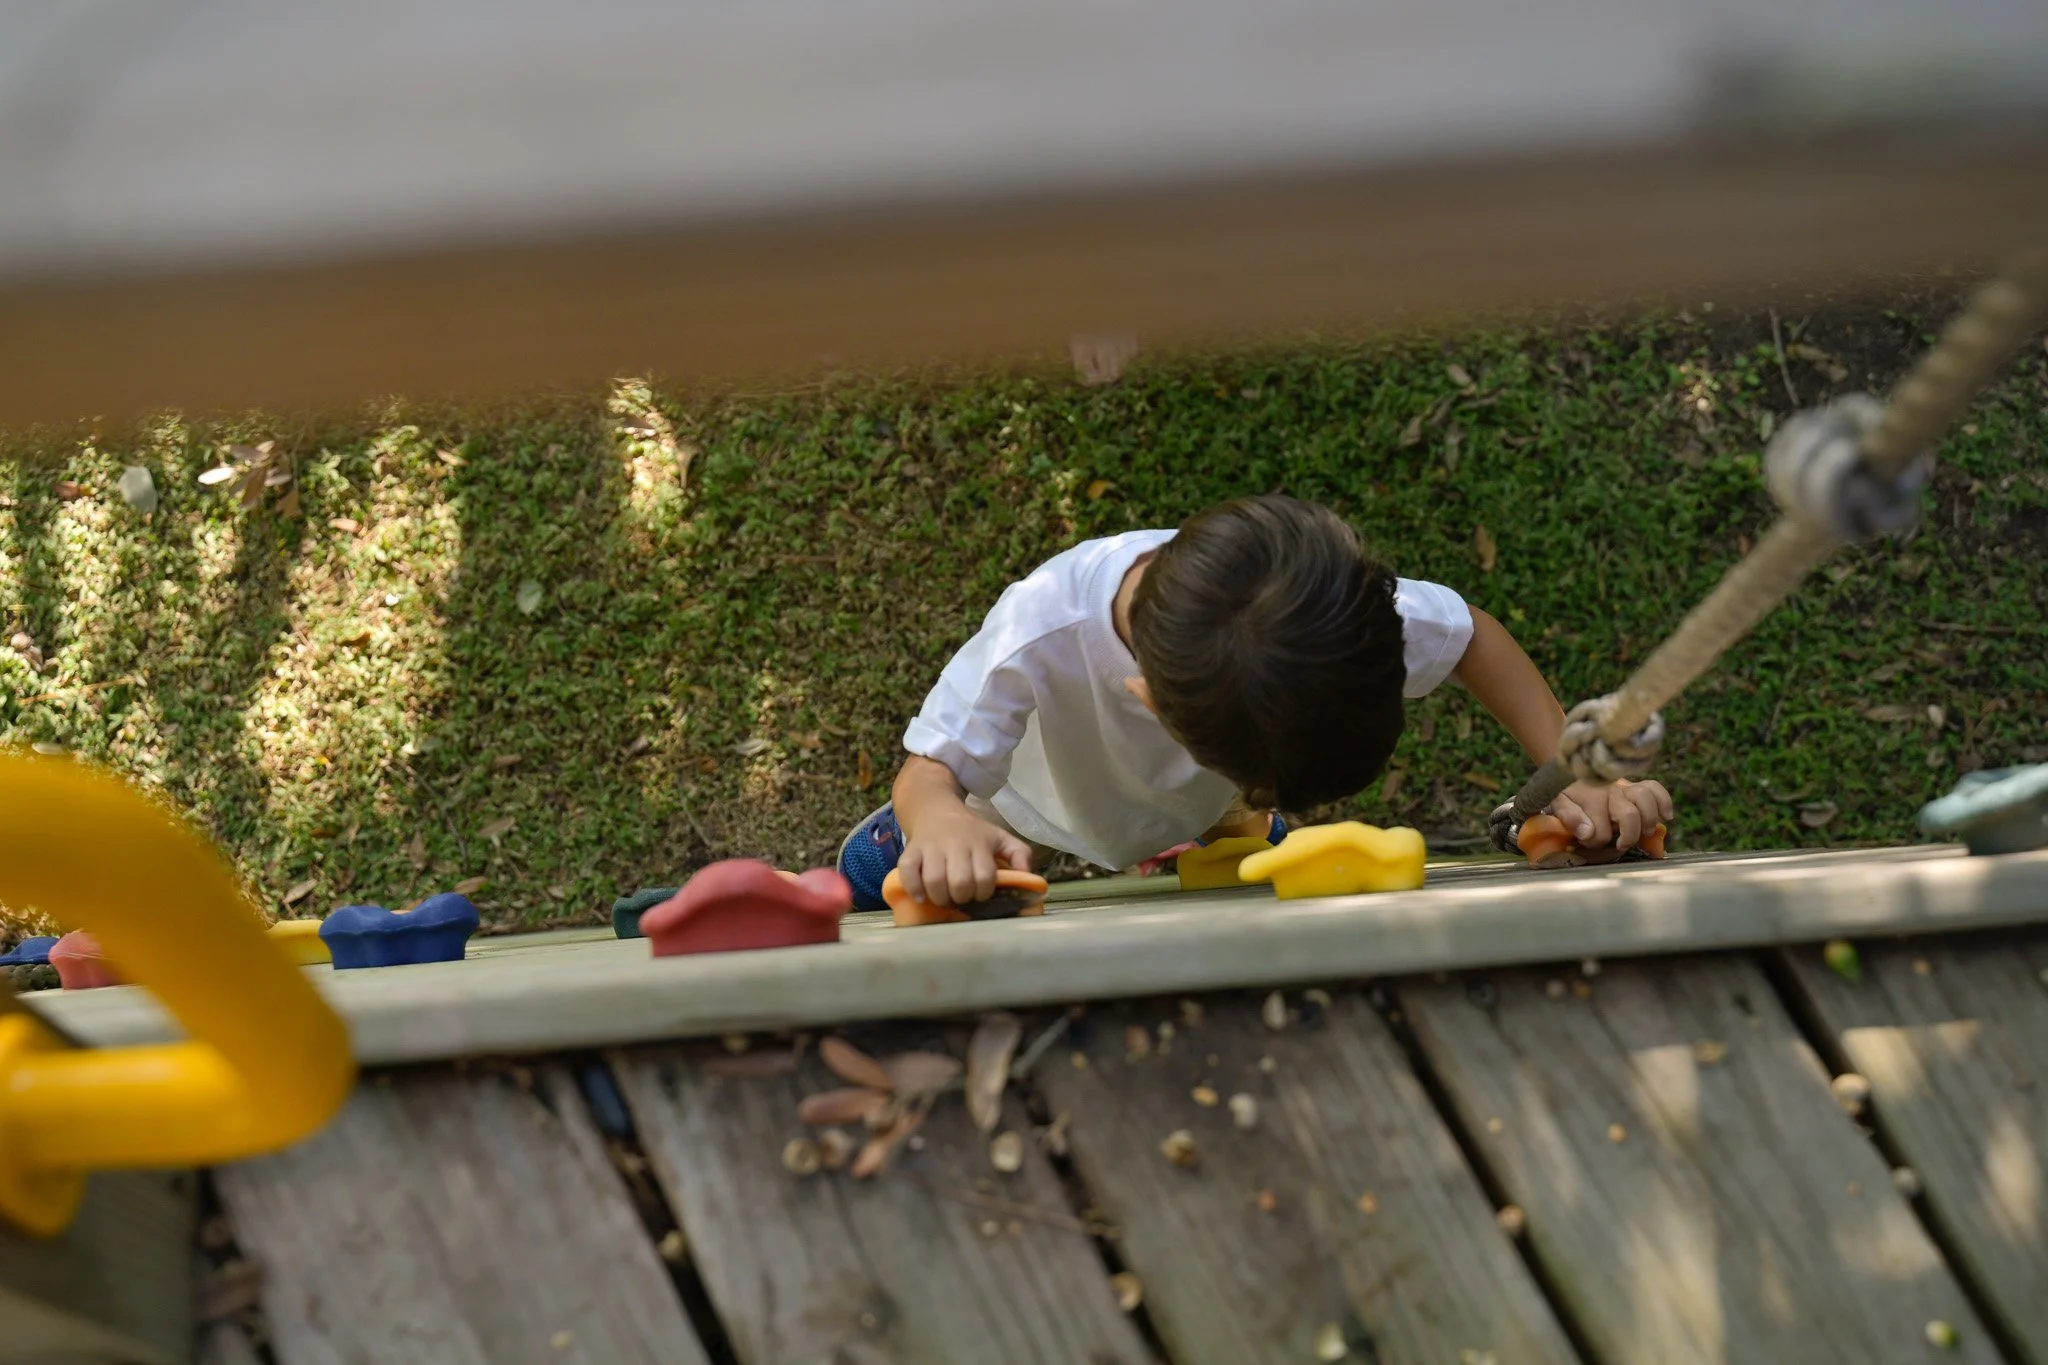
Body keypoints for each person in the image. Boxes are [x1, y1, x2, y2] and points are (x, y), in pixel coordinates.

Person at [838, 494, 1673, 910]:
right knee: (907, 878)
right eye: (1261, 778)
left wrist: (1569, 768)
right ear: (1149, 703)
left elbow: (1473, 638)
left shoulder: (1331, 612)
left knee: (1239, 845)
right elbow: (929, 774)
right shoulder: (1035, 635)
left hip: (1198, 799)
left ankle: (1223, 820)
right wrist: (939, 823)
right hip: (1015, 813)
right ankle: (876, 855)